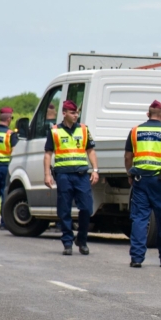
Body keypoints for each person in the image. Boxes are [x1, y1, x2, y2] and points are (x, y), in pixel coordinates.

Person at [125, 100, 161, 268]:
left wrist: (129, 173)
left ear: (147, 114)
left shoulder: (135, 131)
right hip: (160, 182)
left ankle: (136, 257)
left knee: (140, 218)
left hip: (140, 181)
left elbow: (128, 157)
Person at [44, 100, 99, 254]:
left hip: (81, 175)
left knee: (87, 208)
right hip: (63, 176)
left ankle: (81, 239)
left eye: (77, 113)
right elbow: (48, 154)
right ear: (64, 113)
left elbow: (91, 151)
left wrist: (95, 170)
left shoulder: (83, 129)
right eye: (73, 113)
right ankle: (67, 242)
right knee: (64, 210)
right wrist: (47, 174)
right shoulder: (54, 131)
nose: (76, 115)